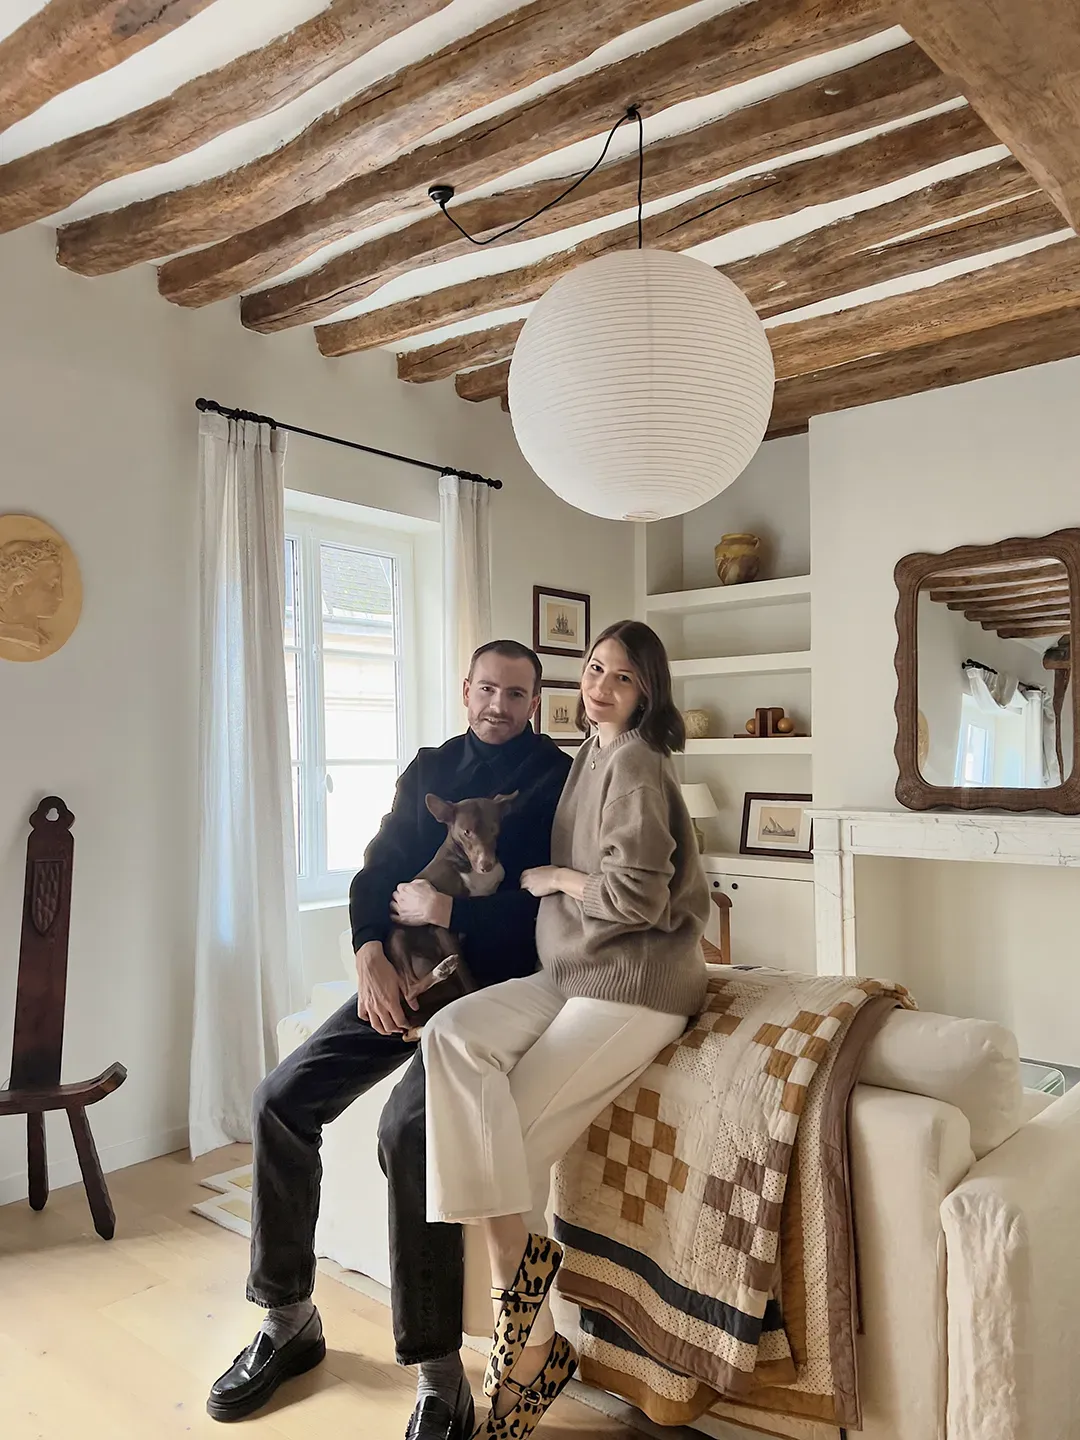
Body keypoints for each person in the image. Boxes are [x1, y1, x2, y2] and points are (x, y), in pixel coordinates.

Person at [207, 640, 572, 1439]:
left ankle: (440, 1373)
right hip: (403, 974)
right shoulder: (427, 769)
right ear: (466, 688)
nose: (498, 705)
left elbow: (553, 909)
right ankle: (287, 1319)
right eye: (486, 689)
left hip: (491, 991)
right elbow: (378, 871)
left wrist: (458, 917)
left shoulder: (557, 778)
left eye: (516, 693)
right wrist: (368, 952)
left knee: (408, 1130)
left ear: (535, 702)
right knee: (279, 1100)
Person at [420, 620, 710, 1438]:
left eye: (621, 677)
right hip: (570, 972)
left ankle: (529, 1348)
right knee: (452, 1037)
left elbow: (639, 901)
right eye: (592, 669)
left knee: (503, 1139)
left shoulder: (640, 765)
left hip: (635, 986)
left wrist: (551, 877)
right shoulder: (588, 753)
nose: (600, 686)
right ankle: (537, 1337)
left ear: (646, 691)